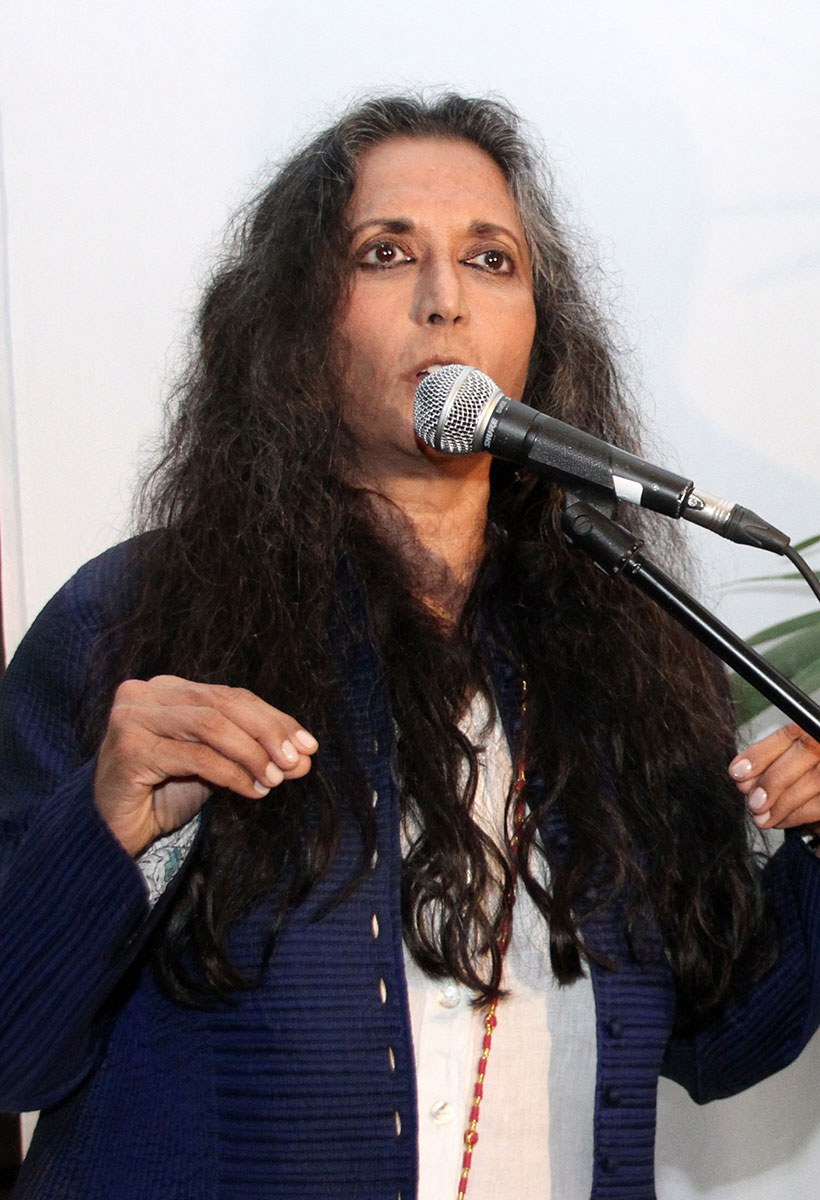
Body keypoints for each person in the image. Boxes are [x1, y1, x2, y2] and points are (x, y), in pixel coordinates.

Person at [1, 93, 819, 1200]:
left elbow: (720, 1041)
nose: (445, 299)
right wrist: (106, 828)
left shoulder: (631, 648)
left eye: (491, 260)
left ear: (536, 335)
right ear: (298, 324)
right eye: (386, 253)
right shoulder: (135, 618)